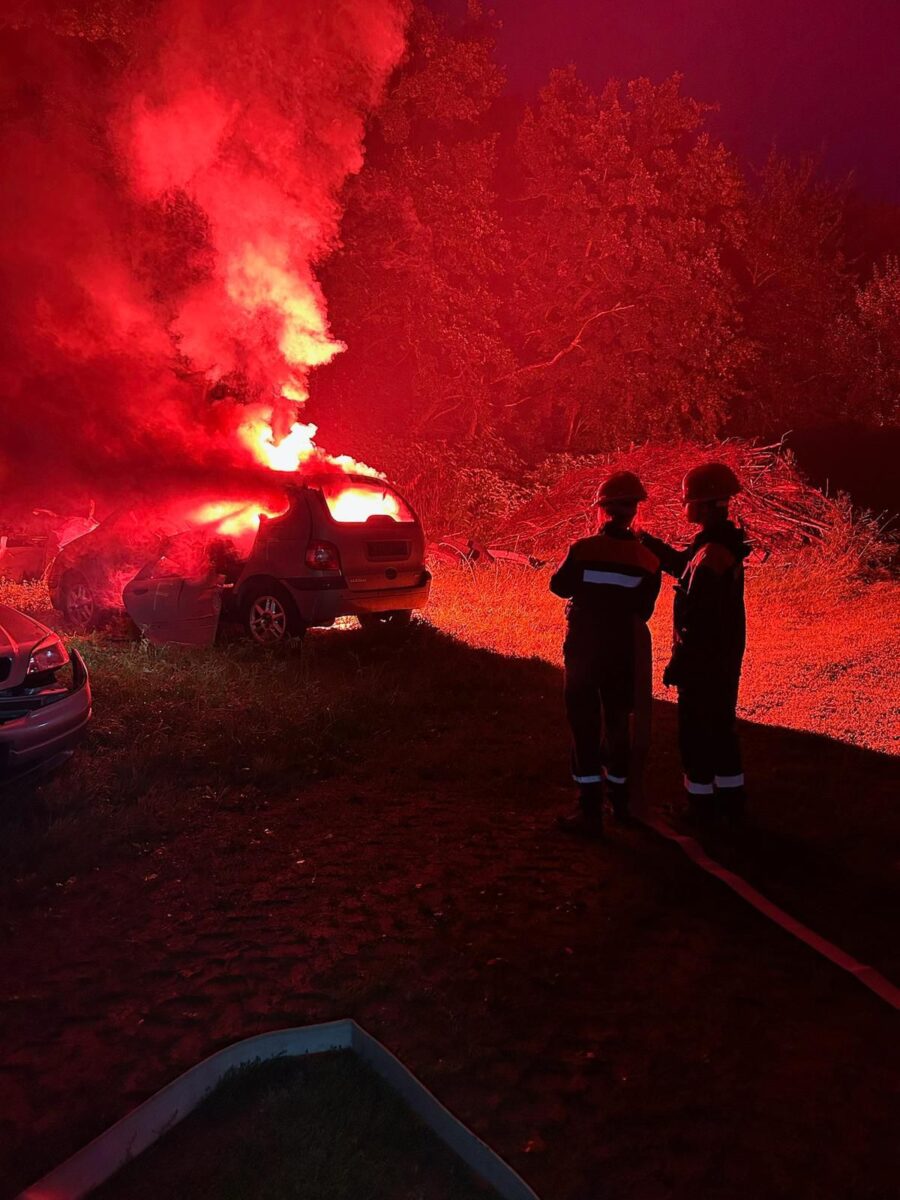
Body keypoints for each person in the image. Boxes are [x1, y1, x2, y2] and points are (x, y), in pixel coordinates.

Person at [550, 471, 662, 837]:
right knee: (617, 725)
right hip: (622, 653)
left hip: (584, 650)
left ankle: (589, 810)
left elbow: (559, 586)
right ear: (634, 512)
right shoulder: (647, 560)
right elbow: (644, 612)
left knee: (584, 727)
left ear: (602, 511)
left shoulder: (583, 549)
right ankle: (621, 801)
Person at [640, 463, 751, 824]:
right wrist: (650, 544)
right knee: (720, 728)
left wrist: (679, 662)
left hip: (703, 661)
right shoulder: (717, 546)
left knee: (696, 733)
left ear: (701, 505)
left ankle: (699, 808)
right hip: (722, 657)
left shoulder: (711, 553)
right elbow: (683, 566)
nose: (684, 505)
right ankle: (730, 803)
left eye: (689, 500)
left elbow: (696, 616)